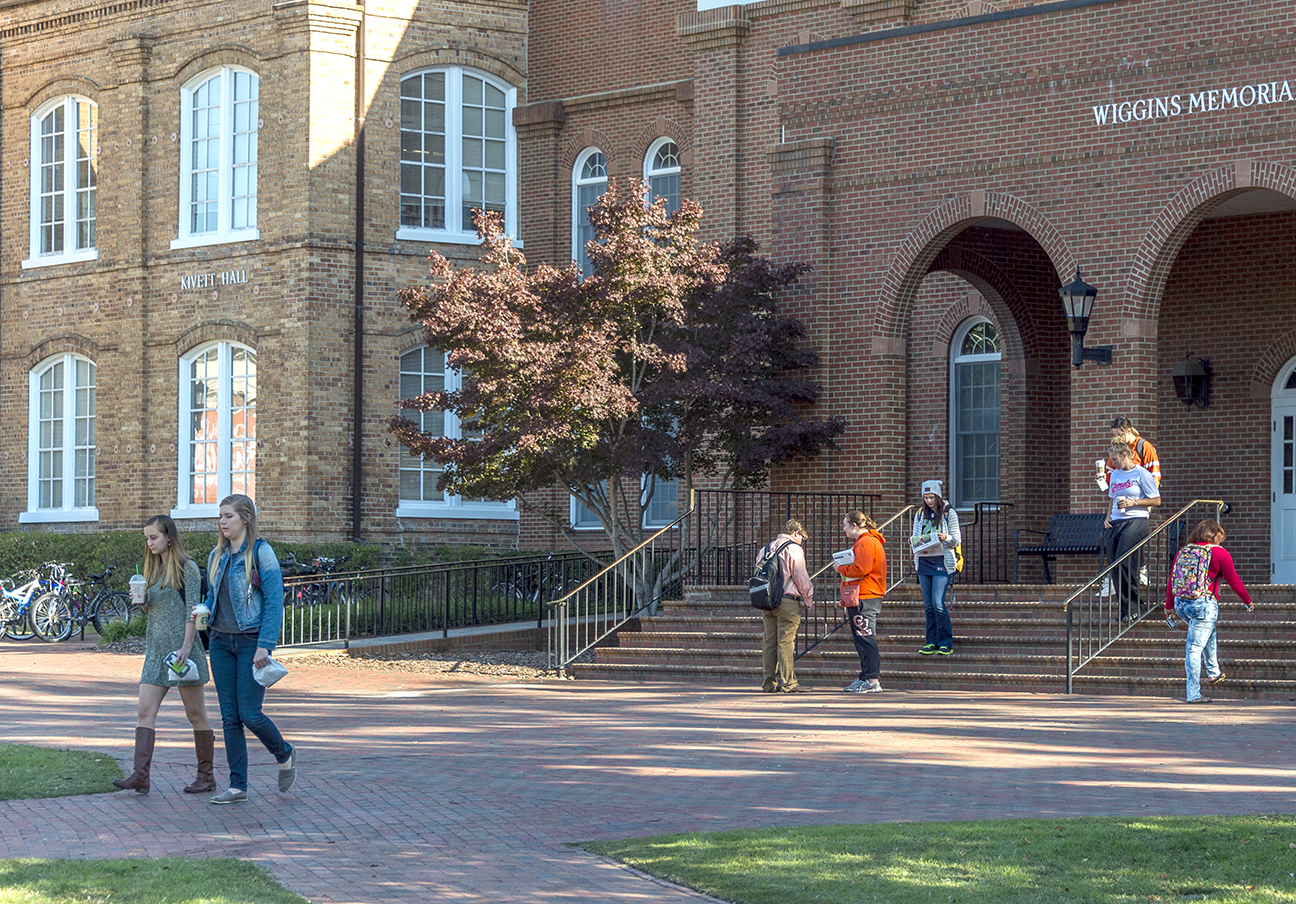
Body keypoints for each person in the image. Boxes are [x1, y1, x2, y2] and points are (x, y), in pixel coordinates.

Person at [112, 515, 215, 795]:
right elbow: (151, 610)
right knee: (145, 712)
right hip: (156, 653)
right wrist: (142, 601)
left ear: (169, 536)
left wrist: (186, 646)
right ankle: (140, 775)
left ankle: (206, 776)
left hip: (183, 653)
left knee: (196, 714)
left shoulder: (188, 569)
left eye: (154, 537)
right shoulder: (152, 569)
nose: (150, 543)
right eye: (146, 538)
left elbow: (193, 610)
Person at [205, 494, 297, 804]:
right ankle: (237, 786)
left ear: (245, 518)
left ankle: (284, 752)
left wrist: (265, 645)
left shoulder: (261, 552)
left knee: (250, 714)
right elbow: (211, 596)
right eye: (220, 516)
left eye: (228, 516)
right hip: (219, 642)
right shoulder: (216, 555)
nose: (222, 522)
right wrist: (202, 610)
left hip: (249, 642)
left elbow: (274, 602)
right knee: (229, 717)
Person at [1164, 519, 1253, 704]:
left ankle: (1214, 672)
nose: (1221, 542)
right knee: (1194, 648)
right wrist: (1247, 600)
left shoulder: (1184, 551)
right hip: (1203, 604)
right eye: (1220, 537)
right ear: (1214, 536)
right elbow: (1234, 579)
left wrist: (1169, 606)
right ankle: (1193, 693)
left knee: (1208, 631)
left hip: (1182, 604)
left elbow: (1172, 579)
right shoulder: (1218, 552)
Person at [1097, 417, 1162, 592]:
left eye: (1119, 434)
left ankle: (1139, 571)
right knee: (1122, 543)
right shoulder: (1116, 452)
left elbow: (1154, 475)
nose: (1117, 438)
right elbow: (1113, 483)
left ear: (1128, 431)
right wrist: (1102, 480)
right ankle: (1118, 579)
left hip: (1141, 500)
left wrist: (1147, 503)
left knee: (1133, 538)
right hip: (1120, 506)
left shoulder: (1143, 447)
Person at [1104, 440, 1161, 621]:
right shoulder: (1115, 475)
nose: (1113, 464)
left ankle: (1134, 606)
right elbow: (1112, 498)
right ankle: (1125, 609)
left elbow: (1156, 500)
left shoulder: (1141, 473)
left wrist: (1133, 502)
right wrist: (1107, 517)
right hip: (1117, 521)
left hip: (1136, 520)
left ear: (1125, 455)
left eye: (1116, 460)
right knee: (1115, 566)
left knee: (1124, 562)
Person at [757, 520, 815, 694]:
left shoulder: (765, 549)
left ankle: (768, 684)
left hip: (766, 601)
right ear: (796, 532)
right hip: (787, 600)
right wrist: (808, 597)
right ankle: (789, 683)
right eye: (803, 537)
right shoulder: (794, 548)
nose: (802, 540)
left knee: (769, 642)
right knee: (786, 642)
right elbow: (800, 576)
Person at [837, 510, 886, 693]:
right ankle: (866, 676)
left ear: (854, 525)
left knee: (866, 638)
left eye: (845, 525)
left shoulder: (865, 542)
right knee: (863, 638)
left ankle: (872, 679)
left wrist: (840, 568)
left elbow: (861, 569)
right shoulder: (870, 541)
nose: (844, 529)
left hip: (865, 596)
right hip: (866, 595)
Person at [910, 480, 961, 656]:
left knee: (938, 603)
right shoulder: (919, 514)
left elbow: (956, 540)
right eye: (925, 498)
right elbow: (915, 537)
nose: (929, 501)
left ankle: (945, 642)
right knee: (928, 606)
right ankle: (931, 642)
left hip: (942, 562)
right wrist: (917, 543)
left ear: (938, 497)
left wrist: (945, 537)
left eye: (931, 497)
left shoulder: (949, 513)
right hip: (924, 561)